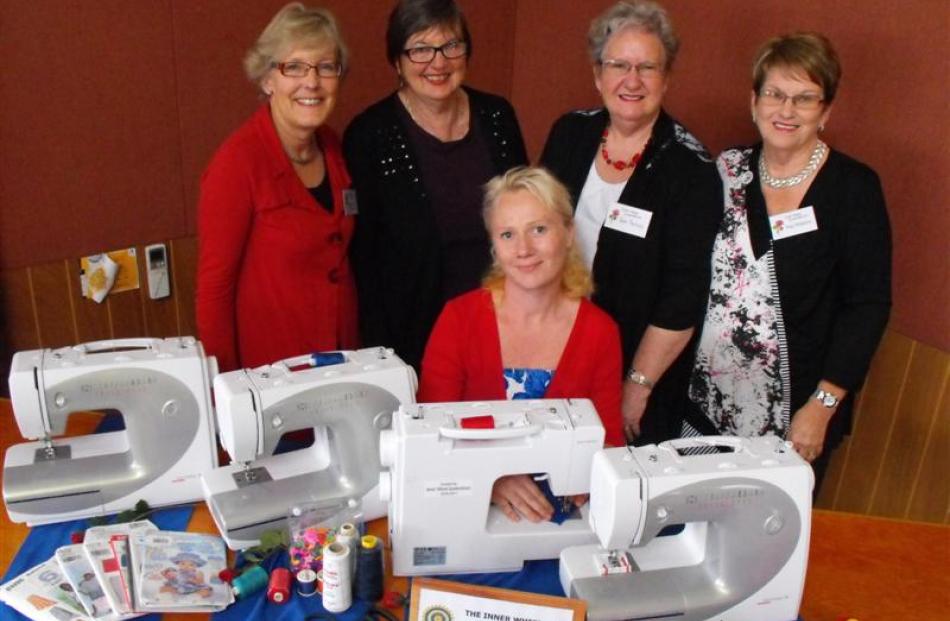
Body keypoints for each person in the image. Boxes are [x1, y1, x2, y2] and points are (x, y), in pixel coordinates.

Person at [688, 33, 891, 487]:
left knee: (770, 544)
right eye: (775, 94)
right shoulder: (725, 170)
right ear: (754, 100)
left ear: (826, 110)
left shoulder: (853, 188)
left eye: (804, 99)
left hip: (797, 416)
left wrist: (823, 405)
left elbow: (868, 306)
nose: (786, 110)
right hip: (704, 404)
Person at [540, 1, 721, 445]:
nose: (632, 80)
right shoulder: (570, 134)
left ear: (666, 77)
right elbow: (535, 229)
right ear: (598, 74)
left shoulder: (689, 168)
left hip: (633, 368)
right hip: (552, 350)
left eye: (647, 67)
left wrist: (636, 385)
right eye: (619, 64)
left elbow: (682, 298)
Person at [419, 167, 624, 522]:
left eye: (539, 229)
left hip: (559, 524)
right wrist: (492, 479)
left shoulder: (600, 331)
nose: (524, 249)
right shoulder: (459, 319)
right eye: (508, 234)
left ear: (569, 233)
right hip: (469, 510)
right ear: (494, 245)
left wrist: (590, 477)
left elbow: (609, 444)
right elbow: (427, 435)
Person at [344, 0, 528, 372]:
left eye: (451, 46)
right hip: (415, 338)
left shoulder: (497, 117)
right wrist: (384, 360)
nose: (438, 62)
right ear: (397, 60)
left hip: (504, 327)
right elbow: (363, 260)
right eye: (420, 49)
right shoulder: (370, 136)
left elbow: (527, 215)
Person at [197, 3, 357, 372]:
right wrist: (228, 388)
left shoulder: (333, 147)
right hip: (272, 376)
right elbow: (214, 292)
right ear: (268, 78)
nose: (312, 82)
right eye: (294, 67)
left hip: (342, 365)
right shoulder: (236, 165)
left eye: (326, 67)